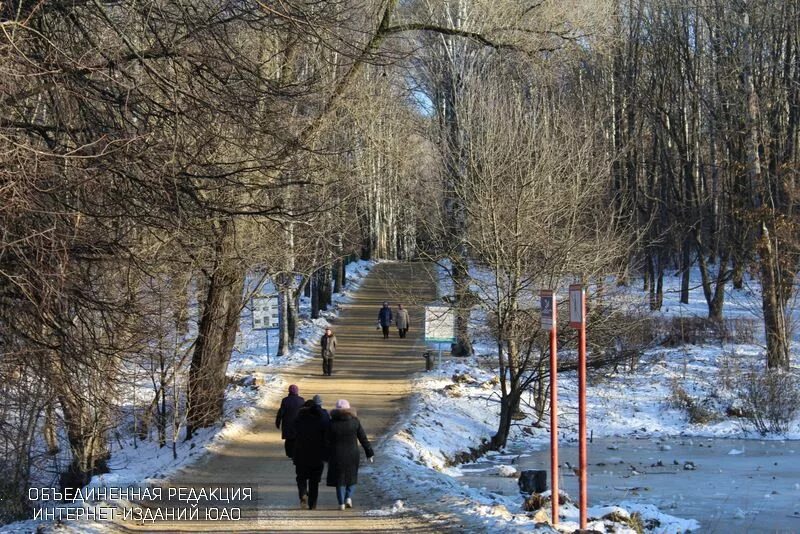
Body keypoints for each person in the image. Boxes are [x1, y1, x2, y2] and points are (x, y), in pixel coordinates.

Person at [326, 399, 374, 511]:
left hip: (336, 454)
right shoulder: (355, 422)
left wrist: (325, 455)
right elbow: (363, 438)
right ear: (349, 410)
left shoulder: (331, 423)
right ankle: (348, 497)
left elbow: (326, 440)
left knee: (339, 480)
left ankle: (341, 503)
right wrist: (369, 452)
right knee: (351, 477)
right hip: (352, 454)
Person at [292, 395, 331, 510]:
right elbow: (327, 437)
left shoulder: (299, 419)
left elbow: (293, 432)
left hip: (300, 454)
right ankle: (312, 504)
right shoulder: (321, 421)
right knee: (314, 482)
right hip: (317, 456)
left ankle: (303, 494)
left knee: (301, 478)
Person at [276, 384, 304, 458]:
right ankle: (295, 453)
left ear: (289, 391)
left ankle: (289, 453)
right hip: (298, 423)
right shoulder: (301, 400)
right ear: (297, 391)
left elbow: (281, 412)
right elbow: (304, 412)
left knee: (288, 440)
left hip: (287, 423)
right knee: (296, 438)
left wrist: (278, 422)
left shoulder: (285, 400)